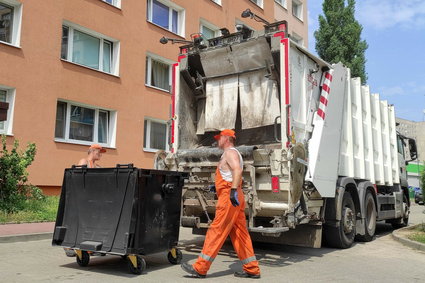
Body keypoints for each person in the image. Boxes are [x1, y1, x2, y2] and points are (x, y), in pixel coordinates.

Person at [181, 129, 261, 279]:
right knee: (240, 234)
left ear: (227, 138)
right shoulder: (230, 153)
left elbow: (237, 170)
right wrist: (218, 187)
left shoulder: (230, 153)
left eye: (219, 138)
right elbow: (229, 174)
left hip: (230, 197)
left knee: (217, 230)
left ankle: (200, 268)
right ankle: (252, 269)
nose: (217, 141)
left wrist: (231, 191)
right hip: (235, 196)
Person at [64, 143, 107, 257]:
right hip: (82, 199)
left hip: (92, 201)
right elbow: (78, 180)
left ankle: (90, 248)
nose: (101, 155)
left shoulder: (97, 167)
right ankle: (69, 246)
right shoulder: (84, 162)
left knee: (92, 223)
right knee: (78, 223)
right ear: (92, 151)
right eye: (99, 152)